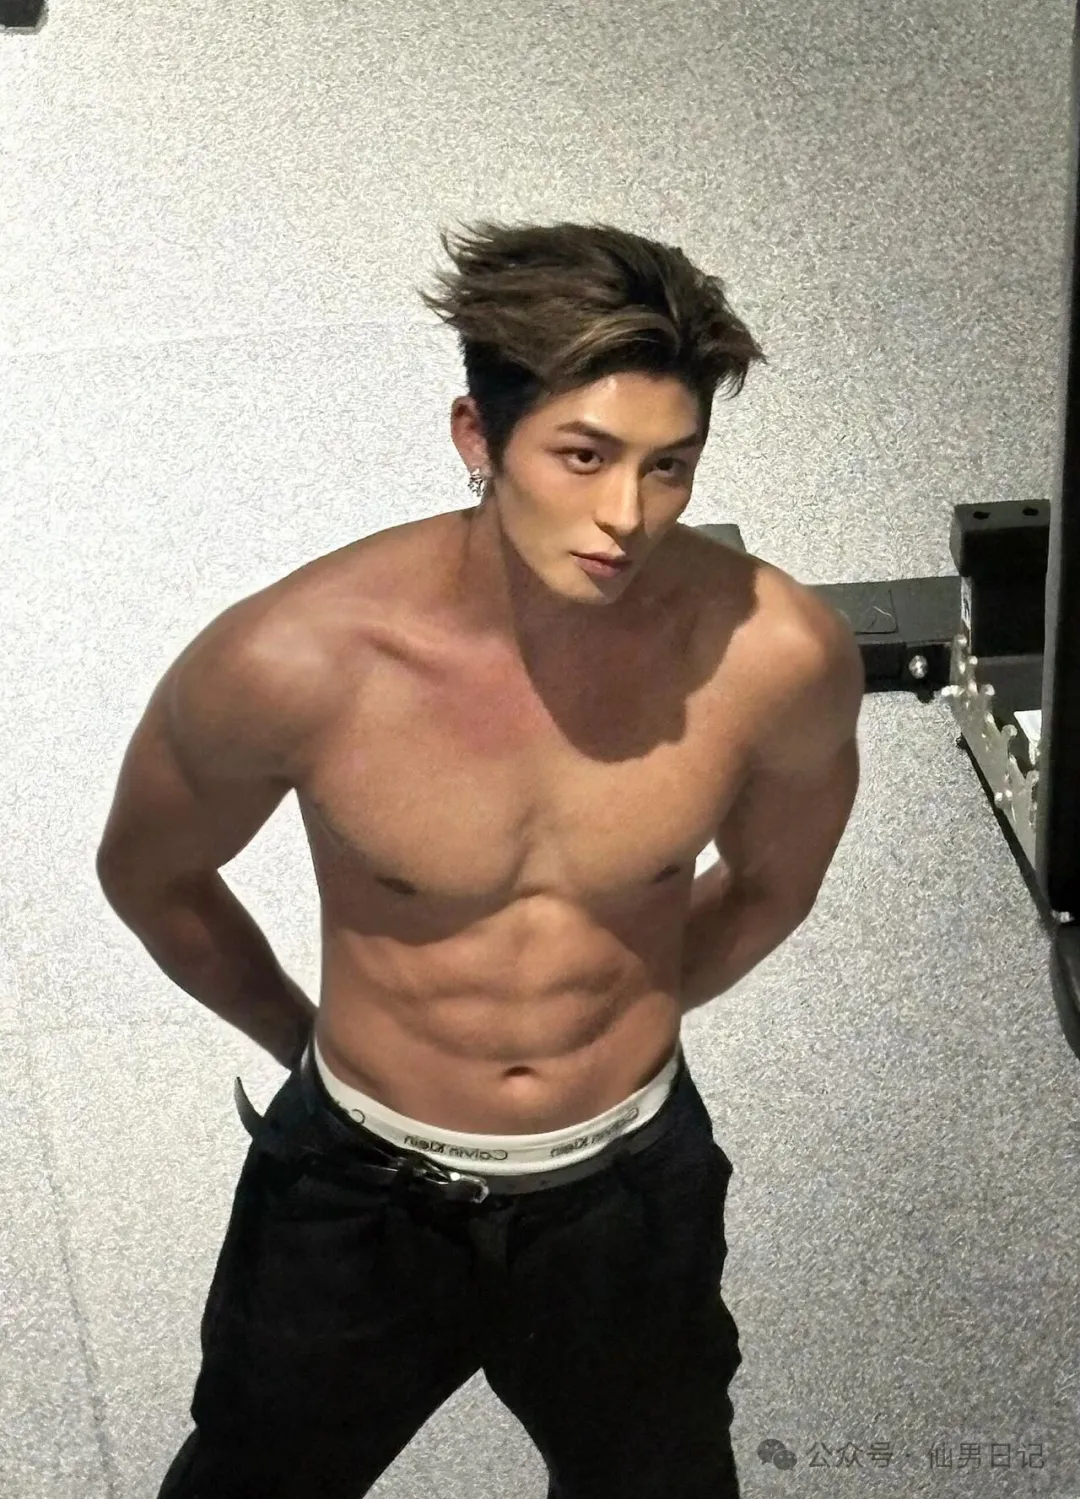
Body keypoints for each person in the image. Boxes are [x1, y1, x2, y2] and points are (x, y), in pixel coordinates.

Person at [96, 220, 864, 1499]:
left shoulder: (771, 654)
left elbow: (776, 883)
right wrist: (303, 1044)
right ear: (477, 436)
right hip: (358, 1189)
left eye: (670, 467)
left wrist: (623, 1008)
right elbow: (151, 875)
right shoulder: (295, 659)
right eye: (584, 455)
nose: (627, 514)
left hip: (625, 1189)